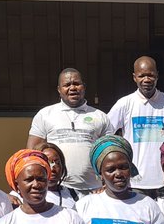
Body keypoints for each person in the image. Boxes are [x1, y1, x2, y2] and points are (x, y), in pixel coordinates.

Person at [105, 56, 164, 199]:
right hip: (135, 182)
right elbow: (106, 134)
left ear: (157, 75)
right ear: (134, 77)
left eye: (150, 75)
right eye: (142, 75)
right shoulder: (125, 104)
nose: (147, 79)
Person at [27, 68, 109, 196]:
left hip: (95, 189)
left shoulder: (100, 116)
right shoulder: (45, 115)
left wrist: (106, 184)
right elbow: (32, 152)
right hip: (58, 190)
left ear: (84, 87)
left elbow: (110, 154)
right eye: (67, 85)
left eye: (76, 83)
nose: (72, 88)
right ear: (59, 90)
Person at [9, 143, 78, 210]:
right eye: (47, 162)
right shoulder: (17, 196)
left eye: (57, 163)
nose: (53, 168)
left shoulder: (75, 195)